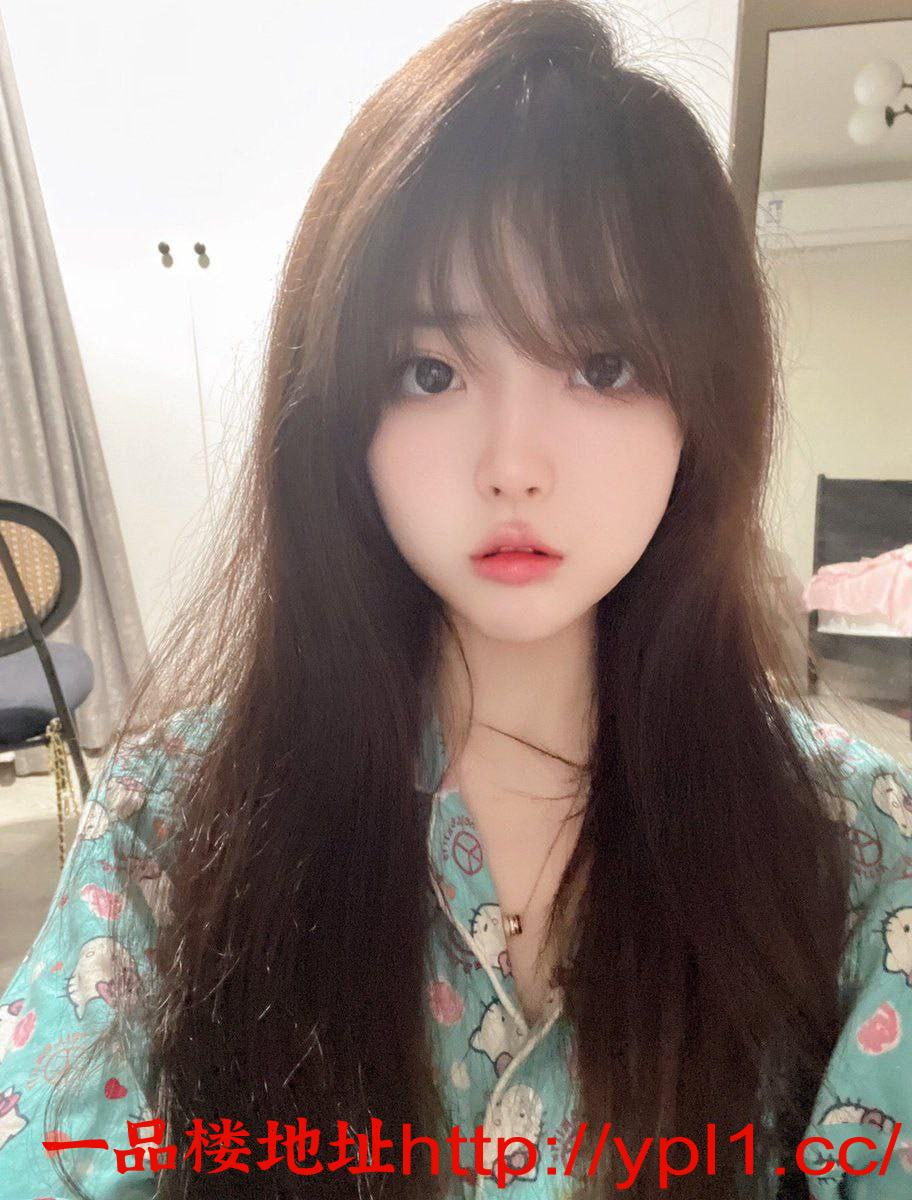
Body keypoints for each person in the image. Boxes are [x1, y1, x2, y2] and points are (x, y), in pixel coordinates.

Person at [1, 1, 911, 1197]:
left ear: (705, 404)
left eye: (603, 365)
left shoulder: (852, 845)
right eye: (431, 371)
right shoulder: (169, 829)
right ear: (341, 415)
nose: (512, 464)